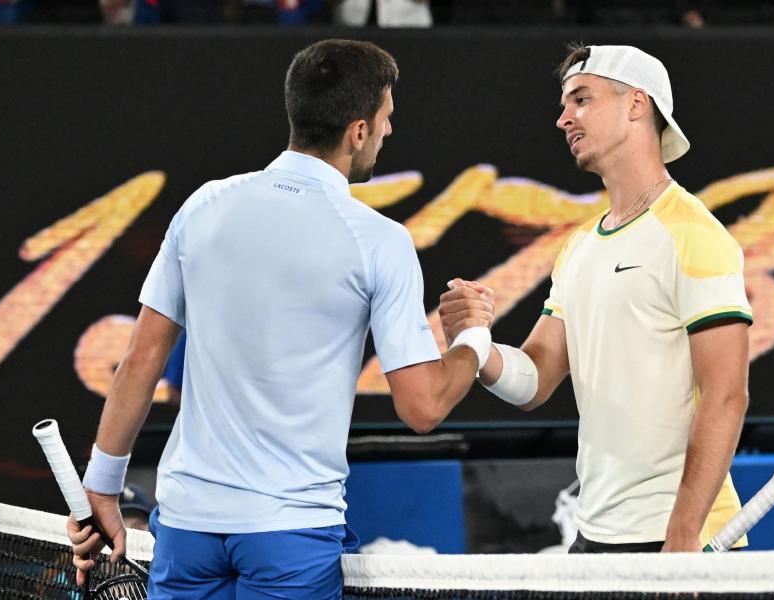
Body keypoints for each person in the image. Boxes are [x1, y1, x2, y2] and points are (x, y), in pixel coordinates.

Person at [67, 38, 493, 598]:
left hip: (188, 529)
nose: (388, 132)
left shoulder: (203, 206)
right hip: (289, 537)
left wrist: (102, 487)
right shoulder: (379, 241)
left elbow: (140, 360)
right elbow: (423, 406)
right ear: (357, 130)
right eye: (385, 119)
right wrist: (474, 338)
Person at [440, 44, 752, 553]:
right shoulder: (580, 246)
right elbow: (535, 382)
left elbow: (726, 395)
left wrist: (683, 532)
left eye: (580, 100)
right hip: (595, 537)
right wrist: (477, 343)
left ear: (636, 104)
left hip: (678, 538)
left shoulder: (695, 235)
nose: (563, 119)